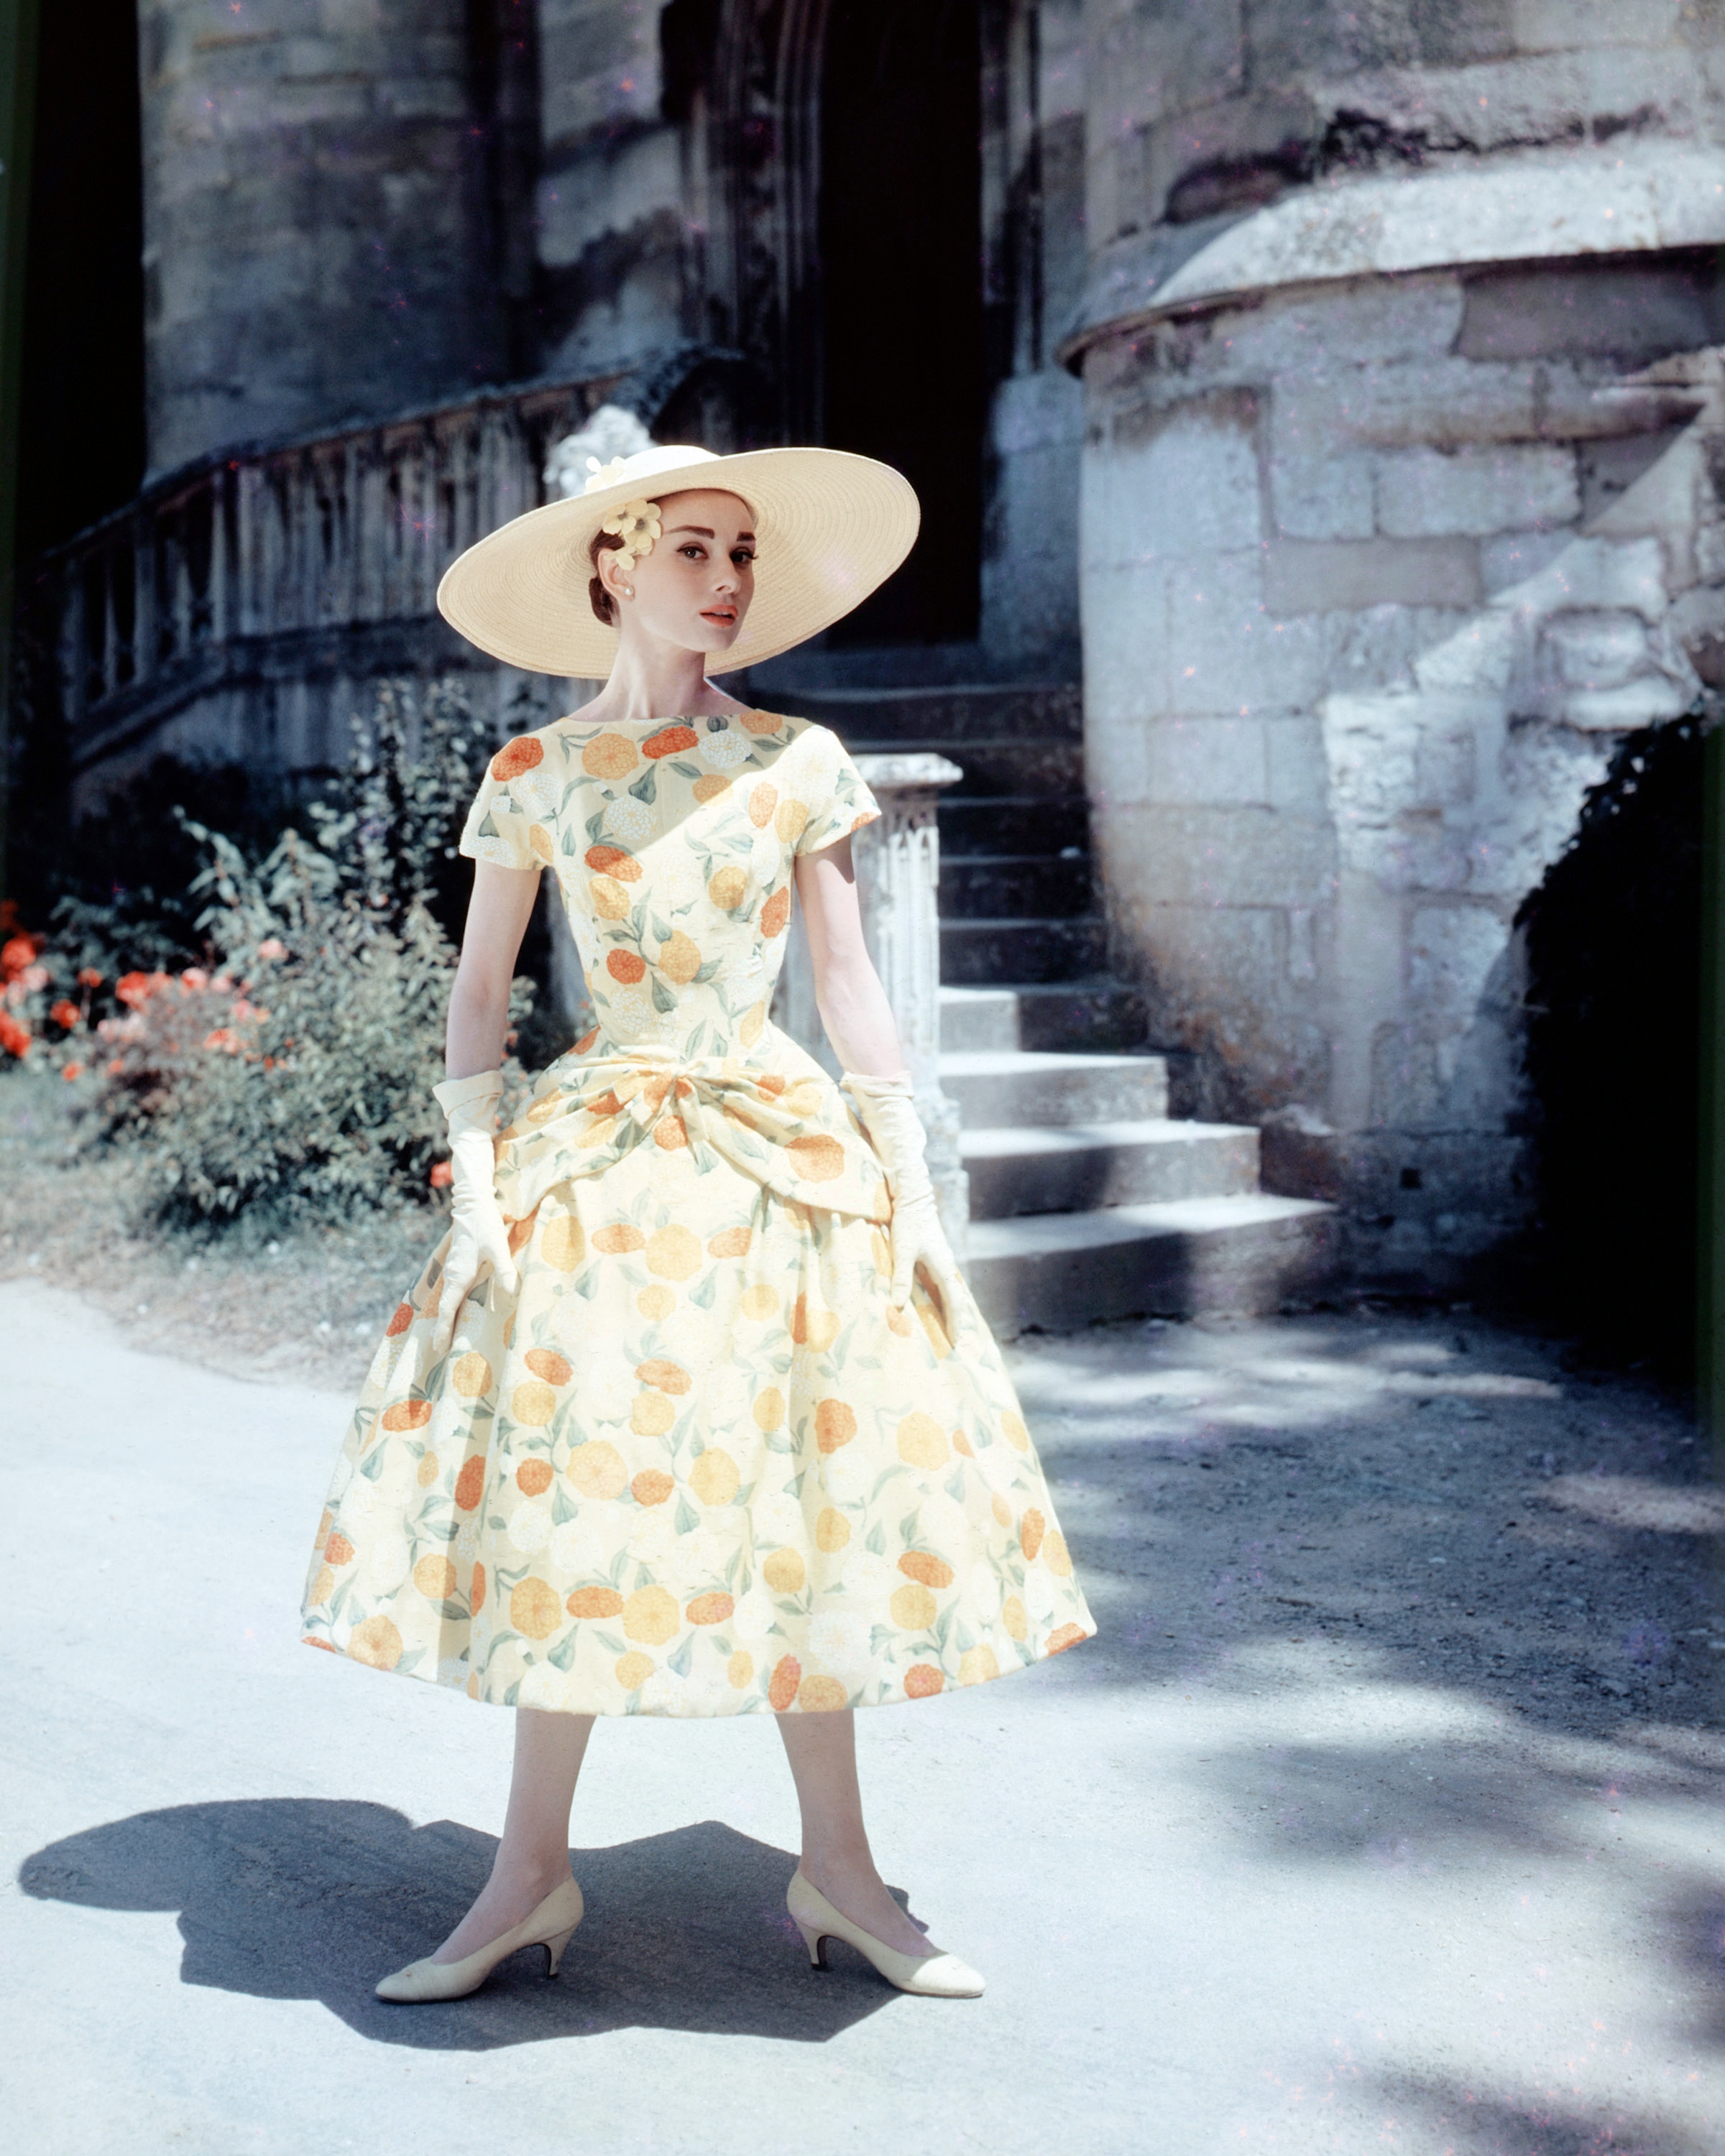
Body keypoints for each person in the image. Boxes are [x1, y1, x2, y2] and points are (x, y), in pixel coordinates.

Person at [300, 441, 1095, 2004]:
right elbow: (479, 997)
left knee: (807, 1489)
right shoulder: (537, 772)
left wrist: (908, 1176)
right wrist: (474, 1182)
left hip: (774, 1144)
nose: (728, 582)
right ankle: (528, 1876)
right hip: (600, 1154)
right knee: (577, 1492)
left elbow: (849, 984)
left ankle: (842, 1872)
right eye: (695, 550)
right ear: (614, 564)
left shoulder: (799, 757)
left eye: (743, 554)